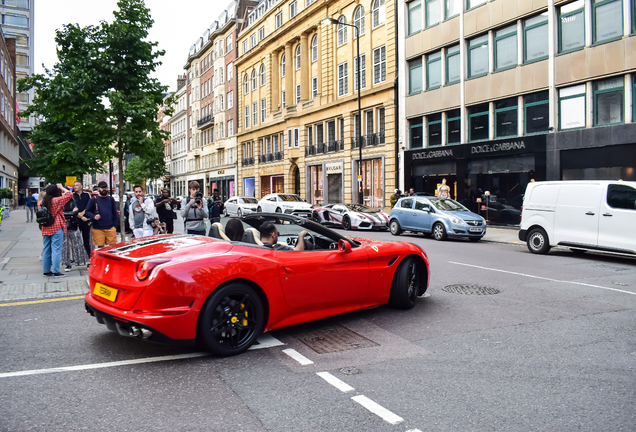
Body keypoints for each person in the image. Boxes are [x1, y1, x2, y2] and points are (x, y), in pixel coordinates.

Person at [39, 184, 73, 277]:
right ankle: (56, 271)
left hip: (45, 227)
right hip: (56, 226)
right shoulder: (56, 200)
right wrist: (62, 188)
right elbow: (69, 194)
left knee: (46, 249)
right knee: (56, 249)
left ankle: (46, 271)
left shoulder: (42, 202)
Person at [85, 181, 119, 248]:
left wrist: (114, 226)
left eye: (105, 187)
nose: (104, 189)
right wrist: (93, 216)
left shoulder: (111, 199)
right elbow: (87, 212)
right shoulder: (93, 200)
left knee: (112, 248)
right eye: (102, 188)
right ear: (98, 189)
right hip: (98, 228)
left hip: (110, 228)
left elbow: (115, 213)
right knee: (100, 248)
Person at [61, 197, 89, 271]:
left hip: (73, 225)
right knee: (65, 245)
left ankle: (84, 261)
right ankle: (67, 264)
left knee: (78, 243)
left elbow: (75, 212)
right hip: (63, 226)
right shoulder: (60, 203)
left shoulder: (73, 202)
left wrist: (66, 214)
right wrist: (70, 213)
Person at [72, 181, 93, 257]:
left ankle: (88, 256)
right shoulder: (72, 196)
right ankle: (76, 257)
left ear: (81, 186)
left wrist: (83, 214)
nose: (75, 187)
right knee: (76, 240)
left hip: (85, 220)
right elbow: (71, 207)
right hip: (75, 220)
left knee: (86, 239)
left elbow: (89, 205)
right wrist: (79, 215)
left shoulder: (86, 195)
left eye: (77, 185)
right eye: (74, 185)